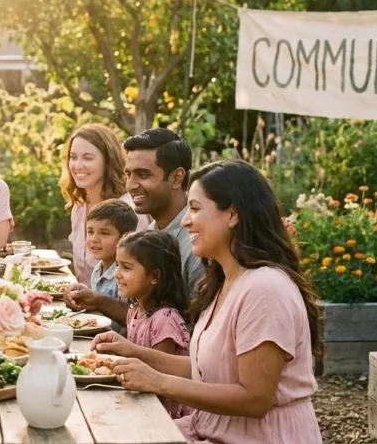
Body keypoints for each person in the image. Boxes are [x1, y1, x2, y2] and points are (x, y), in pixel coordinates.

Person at [94, 160, 323, 443]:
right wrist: (132, 352)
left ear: (233, 214)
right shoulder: (223, 281)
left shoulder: (265, 289)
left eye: (195, 208)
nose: (186, 221)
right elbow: (206, 370)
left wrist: (159, 382)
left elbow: (255, 399)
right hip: (213, 430)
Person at [99, 229, 190, 418]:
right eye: (117, 265)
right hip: (140, 400)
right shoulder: (135, 310)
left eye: (126, 267)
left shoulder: (164, 319)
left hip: (161, 414)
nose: (116, 274)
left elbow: (160, 375)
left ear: (155, 277)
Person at [60, 124, 148, 285]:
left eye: (88, 158)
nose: (77, 165)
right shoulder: (79, 207)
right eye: (73, 157)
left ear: (108, 161)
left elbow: (140, 279)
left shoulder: (128, 209)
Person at [123, 128, 204, 289]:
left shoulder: (198, 242)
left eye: (143, 174)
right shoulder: (152, 231)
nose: (131, 185)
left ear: (176, 178)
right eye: (128, 175)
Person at [62, 200, 137, 334]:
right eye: (90, 232)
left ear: (125, 237)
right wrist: (81, 295)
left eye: (104, 233)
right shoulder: (98, 268)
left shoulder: (126, 275)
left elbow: (134, 319)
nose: (94, 239)